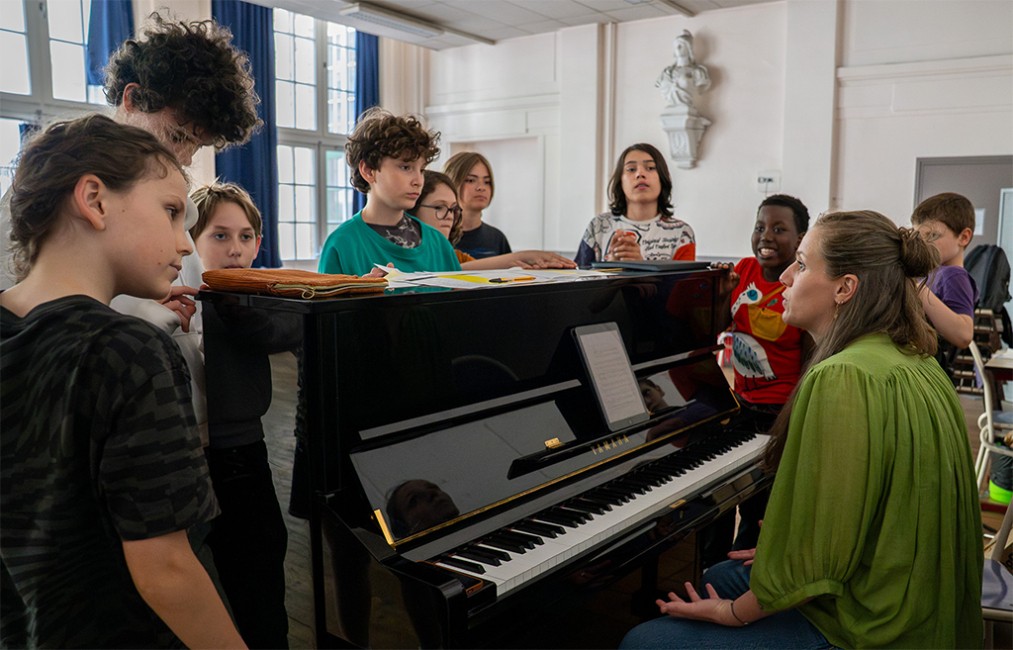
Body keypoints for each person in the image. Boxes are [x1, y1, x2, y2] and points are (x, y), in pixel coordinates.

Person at [620, 210, 983, 649]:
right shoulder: (916, 360)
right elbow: (864, 510)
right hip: (915, 597)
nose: (786, 277)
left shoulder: (844, 375)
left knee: (644, 641)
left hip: (874, 626)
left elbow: (822, 554)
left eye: (803, 264)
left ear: (845, 288)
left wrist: (731, 612)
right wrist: (786, 550)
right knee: (722, 573)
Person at [0, 115, 244, 648]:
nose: (186, 245)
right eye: (171, 212)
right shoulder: (129, 351)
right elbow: (167, 570)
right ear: (95, 200)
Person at [0, 12, 262, 444]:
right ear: (133, 99)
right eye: (178, 135)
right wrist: (138, 317)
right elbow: (23, 318)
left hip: (170, 414)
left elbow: (188, 321)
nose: (184, 157)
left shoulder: (175, 202)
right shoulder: (48, 188)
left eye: (195, 145)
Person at [190, 182, 299, 648]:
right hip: (188, 459)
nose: (235, 249)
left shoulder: (257, 294)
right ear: (190, 240)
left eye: (246, 236)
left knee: (261, 576)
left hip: (243, 455)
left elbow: (283, 331)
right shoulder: (170, 297)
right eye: (220, 236)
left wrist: (238, 307)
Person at [318, 108, 460, 276]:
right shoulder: (341, 245)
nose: (418, 181)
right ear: (368, 171)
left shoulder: (439, 244)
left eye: (421, 169)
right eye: (405, 167)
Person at [723, 194, 812, 421]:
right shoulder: (744, 268)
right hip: (741, 398)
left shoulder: (803, 287)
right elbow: (721, 326)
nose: (766, 237)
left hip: (782, 406)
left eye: (778, 230)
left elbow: (810, 364)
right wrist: (721, 293)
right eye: (759, 228)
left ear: (800, 240)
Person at [409, 170, 576, 270]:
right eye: (439, 207)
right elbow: (453, 272)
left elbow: (472, 271)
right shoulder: (405, 256)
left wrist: (527, 263)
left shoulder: (454, 255)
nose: (449, 216)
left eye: (453, 209)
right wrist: (523, 257)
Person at [575, 143, 695, 267]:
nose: (640, 174)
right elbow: (577, 276)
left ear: (662, 178)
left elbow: (685, 280)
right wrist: (612, 266)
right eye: (631, 169)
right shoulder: (598, 225)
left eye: (650, 168)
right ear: (620, 181)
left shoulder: (682, 233)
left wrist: (640, 266)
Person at [911, 192, 978, 359]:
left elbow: (964, 335)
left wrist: (917, 289)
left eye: (933, 235)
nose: (924, 243)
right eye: (919, 236)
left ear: (963, 237)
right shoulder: (930, 273)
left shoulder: (954, 276)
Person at [443, 152, 513, 259]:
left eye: (487, 182)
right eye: (471, 180)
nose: (481, 187)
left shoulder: (497, 238)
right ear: (452, 182)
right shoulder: (438, 236)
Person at [655, 29, 711, 114]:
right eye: (676, 46)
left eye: (681, 45)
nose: (677, 48)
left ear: (688, 48)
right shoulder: (666, 73)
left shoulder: (698, 72)